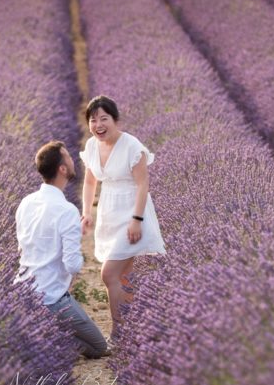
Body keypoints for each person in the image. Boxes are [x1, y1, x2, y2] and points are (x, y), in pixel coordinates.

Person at [79, 96, 165, 344]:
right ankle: (136, 330)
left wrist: (136, 219)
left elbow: (143, 184)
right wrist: (86, 212)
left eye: (103, 118)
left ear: (115, 120)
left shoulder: (131, 146)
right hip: (109, 211)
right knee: (125, 278)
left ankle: (118, 331)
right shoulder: (93, 146)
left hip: (132, 213)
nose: (98, 124)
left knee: (109, 275)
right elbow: (89, 181)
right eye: (93, 120)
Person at [14, 140, 108, 358]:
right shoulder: (66, 211)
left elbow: (23, 247)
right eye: (67, 156)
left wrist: (74, 229)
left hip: (21, 294)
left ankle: (39, 334)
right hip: (53, 299)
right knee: (99, 348)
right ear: (62, 169)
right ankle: (49, 336)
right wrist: (76, 239)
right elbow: (72, 265)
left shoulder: (26, 202)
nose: (72, 158)